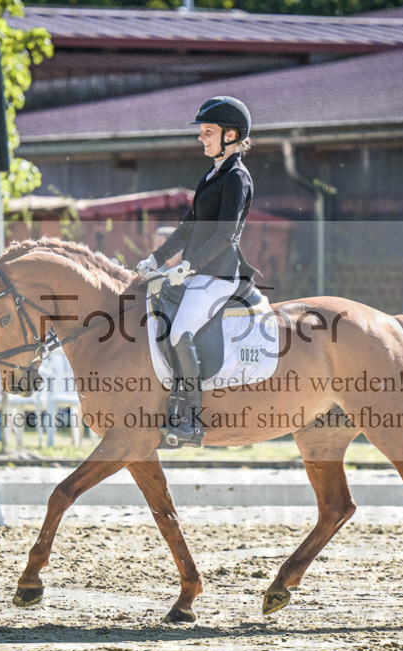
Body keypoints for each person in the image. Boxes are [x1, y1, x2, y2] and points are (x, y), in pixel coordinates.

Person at [136, 96, 260, 447]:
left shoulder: (236, 177)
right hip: (197, 272)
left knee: (179, 334)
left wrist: (190, 266)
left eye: (208, 132)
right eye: (202, 132)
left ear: (231, 135)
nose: (201, 139)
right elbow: (189, 225)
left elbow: (226, 235)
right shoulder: (212, 173)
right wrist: (158, 258)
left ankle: (189, 418)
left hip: (219, 276)